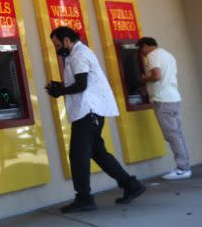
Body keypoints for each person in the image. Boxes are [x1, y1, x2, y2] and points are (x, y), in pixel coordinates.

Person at [46, 26, 145, 213]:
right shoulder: (75, 55)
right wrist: (60, 87)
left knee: (78, 154)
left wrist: (61, 91)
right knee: (97, 152)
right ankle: (130, 185)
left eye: (57, 44)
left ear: (67, 40)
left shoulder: (78, 54)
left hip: (88, 111)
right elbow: (82, 82)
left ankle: (84, 198)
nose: (57, 49)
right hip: (91, 111)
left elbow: (82, 84)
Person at [138, 36, 191, 180]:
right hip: (174, 97)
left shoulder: (152, 55)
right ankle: (185, 165)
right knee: (178, 134)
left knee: (172, 135)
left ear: (145, 46)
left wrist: (143, 79)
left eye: (141, 49)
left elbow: (156, 75)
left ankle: (182, 168)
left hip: (162, 100)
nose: (141, 54)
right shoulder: (168, 54)